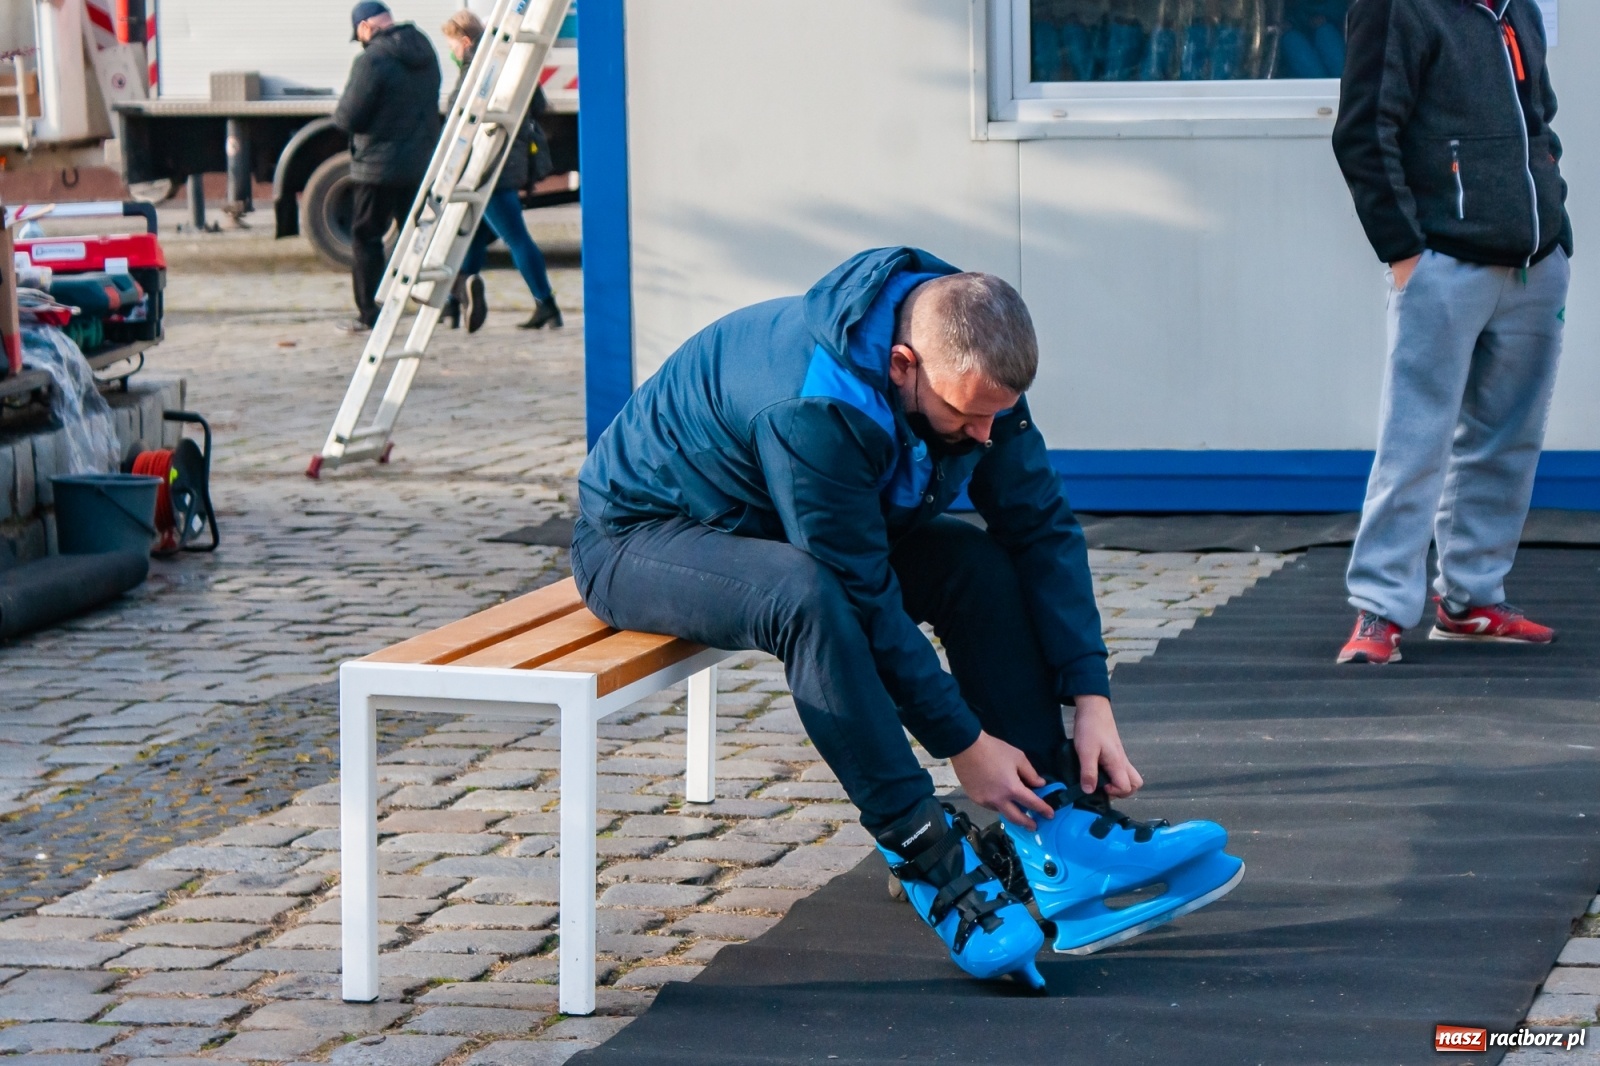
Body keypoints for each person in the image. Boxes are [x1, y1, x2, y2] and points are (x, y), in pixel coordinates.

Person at [572, 247, 1243, 988]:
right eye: (967, 415)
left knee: (976, 567)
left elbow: (1040, 524)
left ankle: (1059, 830)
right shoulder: (815, 406)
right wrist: (964, 743)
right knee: (806, 597)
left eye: (998, 415)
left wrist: (1091, 695)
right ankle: (926, 855)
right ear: (902, 364)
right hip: (643, 538)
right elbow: (860, 597)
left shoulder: (972, 353)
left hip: (774, 521)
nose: (985, 435)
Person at [1331, 0, 1571, 664]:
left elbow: (1538, 120)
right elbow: (1361, 133)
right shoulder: (1396, 9)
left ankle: (1472, 600)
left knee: (1508, 441)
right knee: (1416, 440)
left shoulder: (1516, 7)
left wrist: (1557, 228)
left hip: (1534, 265)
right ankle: (1379, 609)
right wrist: (1404, 253)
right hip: (1442, 263)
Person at [439, 11, 562, 333]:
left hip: (486, 165)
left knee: (515, 237)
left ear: (465, 41)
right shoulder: (509, 59)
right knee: (475, 236)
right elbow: (538, 103)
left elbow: (460, 115)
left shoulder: (477, 67)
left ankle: (546, 303)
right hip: (512, 156)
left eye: (453, 46)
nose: (452, 53)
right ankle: (458, 301)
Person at [333, 1, 443, 334]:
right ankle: (447, 301)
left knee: (366, 236)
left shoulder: (372, 60)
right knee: (419, 236)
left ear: (365, 27)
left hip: (377, 167)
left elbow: (349, 116)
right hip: (420, 161)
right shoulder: (425, 50)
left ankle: (370, 313)